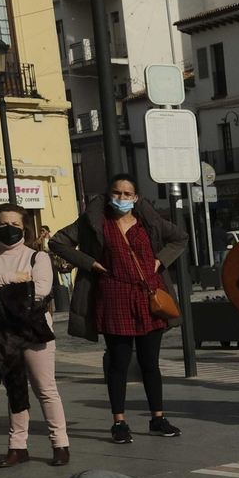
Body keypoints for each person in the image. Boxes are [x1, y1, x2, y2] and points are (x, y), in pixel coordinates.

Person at [51, 174, 188, 444]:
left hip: (149, 298)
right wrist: (90, 263)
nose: (122, 198)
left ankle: (158, 418)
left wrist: (160, 261)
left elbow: (180, 238)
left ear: (135, 198)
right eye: (117, 193)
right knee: (118, 363)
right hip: (113, 298)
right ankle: (119, 422)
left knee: (150, 362)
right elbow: (57, 242)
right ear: (108, 194)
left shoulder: (149, 222)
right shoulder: (94, 222)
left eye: (127, 194)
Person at [0, 203, 67, 466]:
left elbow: (40, 290)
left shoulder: (38, 257)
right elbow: (26, 291)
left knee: (45, 388)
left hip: (34, 329)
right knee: (14, 389)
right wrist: (13, 277)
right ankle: (17, 447)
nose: (9, 230)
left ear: (24, 226)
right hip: (2, 332)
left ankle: (60, 444)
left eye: (14, 225)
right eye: (3, 225)